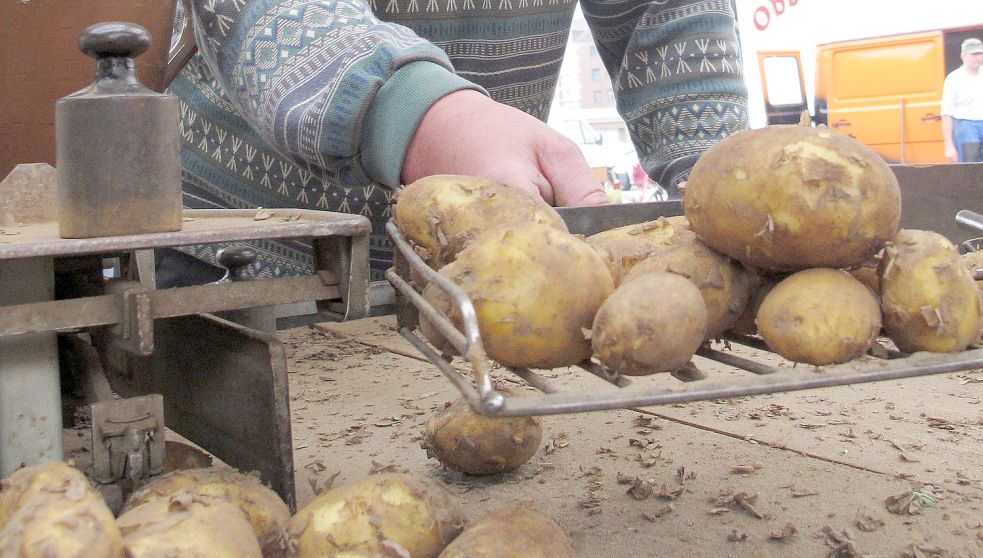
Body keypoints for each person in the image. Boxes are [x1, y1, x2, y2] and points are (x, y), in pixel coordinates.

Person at [170, 0, 748, 281]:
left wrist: (725, 182)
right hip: (244, 253)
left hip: (478, 267)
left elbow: (664, 10)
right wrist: (417, 115)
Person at [941, 37, 983, 163]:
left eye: (980, 53)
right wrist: (949, 146)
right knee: (970, 166)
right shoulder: (953, 79)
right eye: (973, 54)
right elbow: (946, 114)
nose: (978, 57)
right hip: (966, 127)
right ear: (963, 56)